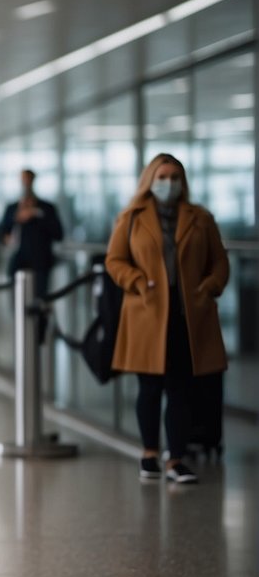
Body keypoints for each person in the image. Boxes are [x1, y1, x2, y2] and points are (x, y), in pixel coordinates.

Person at [105, 153, 229, 485]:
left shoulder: (201, 219)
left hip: (187, 315)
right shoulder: (131, 218)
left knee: (181, 388)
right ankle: (149, 453)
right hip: (147, 313)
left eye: (175, 177)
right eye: (163, 176)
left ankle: (176, 459)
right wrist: (135, 281)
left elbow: (220, 263)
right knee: (149, 387)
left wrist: (209, 288)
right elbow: (114, 261)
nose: (169, 183)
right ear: (150, 179)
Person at [0, 169, 64, 298]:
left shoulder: (46, 208)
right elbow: (1, 234)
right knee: (16, 298)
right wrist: (16, 218)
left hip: (41, 262)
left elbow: (59, 234)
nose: (26, 184)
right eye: (23, 180)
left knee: (40, 300)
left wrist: (36, 214)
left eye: (28, 180)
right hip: (18, 261)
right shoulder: (12, 209)